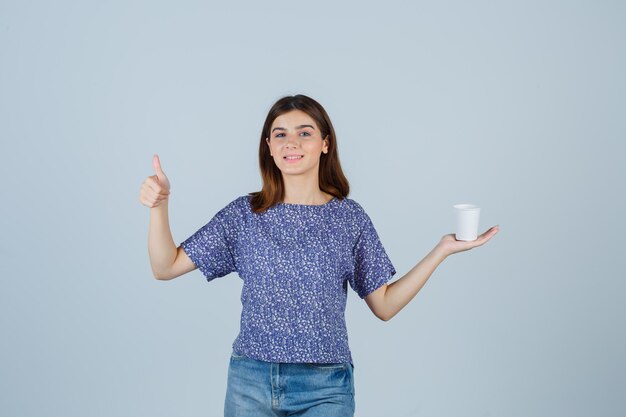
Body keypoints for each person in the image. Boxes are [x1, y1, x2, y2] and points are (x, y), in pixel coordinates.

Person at [139, 94, 499, 416]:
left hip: (325, 387)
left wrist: (442, 250)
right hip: (250, 380)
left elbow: (385, 305)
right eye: (280, 134)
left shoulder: (348, 218)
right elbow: (165, 266)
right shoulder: (244, 215)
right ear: (268, 146)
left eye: (305, 132)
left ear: (325, 144)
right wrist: (160, 206)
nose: (291, 142)